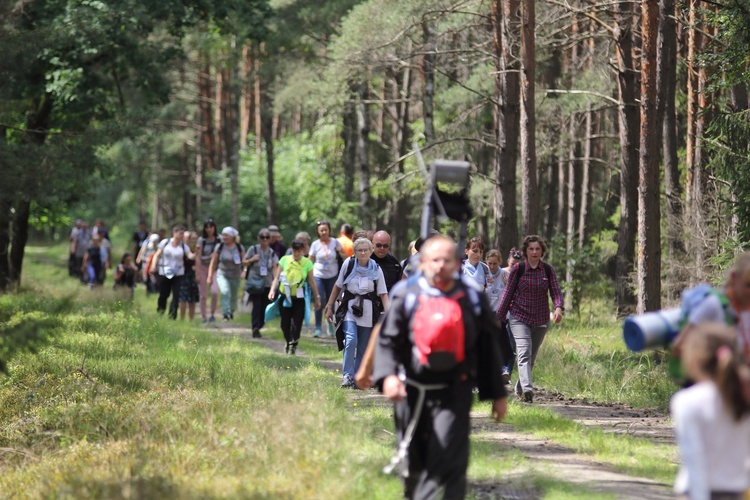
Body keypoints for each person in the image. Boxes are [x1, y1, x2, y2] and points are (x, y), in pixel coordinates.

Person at [373, 235, 507, 498]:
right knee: (414, 459)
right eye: (435, 260)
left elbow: (487, 348)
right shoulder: (405, 294)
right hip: (411, 392)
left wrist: (497, 395)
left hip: (455, 391)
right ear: (422, 262)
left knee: (450, 456)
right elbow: (387, 340)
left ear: (457, 263)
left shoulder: (470, 298)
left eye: (448, 260)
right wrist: (387, 377)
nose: (441, 266)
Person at [670, 322, 750, 500]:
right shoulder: (744, 398)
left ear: (693, 361)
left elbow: (694, 459)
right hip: (738, 493)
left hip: (696, 493)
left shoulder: (687, 401)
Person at [495, 234, 563, 403]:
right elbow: (508, 294)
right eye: (531, 249)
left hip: (540, 319)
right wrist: (500, 317)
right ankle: (528, 390)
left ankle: (520, 387)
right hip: (519, 317)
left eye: (537, 249)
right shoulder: (519, 269)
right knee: (523, 352)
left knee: (531, 357)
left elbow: (555, 291)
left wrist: (558, 308)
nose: (534, 252)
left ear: (542, 251)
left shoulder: (547, 270)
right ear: (525, 251)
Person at [325, 238, 389, 388]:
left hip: (368, 311)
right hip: (350, 307)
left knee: (362, 347)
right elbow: (338, 285)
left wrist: (389, 315)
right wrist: (329, 305)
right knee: (351, 339)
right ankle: (347, 376)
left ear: (371, 251)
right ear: (355, 252)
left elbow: (383, 293)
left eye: (366, 249)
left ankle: (356, 377)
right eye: (359, 250)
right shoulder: (349, 264)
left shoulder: (376, 269)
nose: (363, 252)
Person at [269, 239, 321, 355]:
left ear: (303, 250)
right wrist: (272, 290)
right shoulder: (284, 260)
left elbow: (312, 282)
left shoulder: (307, 263)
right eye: (294, 250)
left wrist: (317, 297)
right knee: (284, 323)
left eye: (299, 250)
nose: (296, 253)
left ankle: (294, 343)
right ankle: (288, 341)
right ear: (291, 249)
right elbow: (277, 277)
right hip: (285, 296)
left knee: (297, 323)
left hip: (299, 297)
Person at [309, 220, 346, 337]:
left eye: (326, 230)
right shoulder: (315, 244)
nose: (324, 232)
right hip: (318, 275)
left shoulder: (335, 242)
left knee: (332, 302)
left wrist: (340, 251)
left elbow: (346, 257)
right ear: (318, 232)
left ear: (329, 230)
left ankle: (330, 324)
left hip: (333, 276)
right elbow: (310, 261)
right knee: (319, 300)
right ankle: (318, 328)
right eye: (321, 230)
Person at [150, 225, 192, 320]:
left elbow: (190, 255)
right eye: (180, 233)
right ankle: (160, 311)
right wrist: (153, 266)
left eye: (183, 234)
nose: (182, 236)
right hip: (165, 272)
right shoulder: (165, 243)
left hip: (178, 273)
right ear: (175, 233)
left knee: (176, 295)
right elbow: (157, 255)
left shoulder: (183, 246)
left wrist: (197, 253)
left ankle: (172, 316)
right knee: (164, 294)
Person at [485, 249, 515, 384]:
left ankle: (503, 370)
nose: (492, 267)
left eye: (495, 264)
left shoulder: (506, 275)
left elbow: (511, 294)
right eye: (490, 263)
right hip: (486, 315)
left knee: (503, 344)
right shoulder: (484, 273)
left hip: (501, 315)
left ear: (500, 262)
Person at [244, 228, 279, 338]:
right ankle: (255, 327)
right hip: (255, 282)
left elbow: (275, 268)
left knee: (265, 306)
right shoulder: (253, 249)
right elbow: (243, 262)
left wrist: (275, 281)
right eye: (262, 237)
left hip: (267, 283)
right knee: (256, 305)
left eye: (267, 237)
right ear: (259, 238)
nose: (265, 239)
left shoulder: (271, 253)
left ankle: (260, 325)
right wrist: (251, 260)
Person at [207, 226, 244, 322]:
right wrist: (210, 276)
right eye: (223, 235)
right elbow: (213, 262)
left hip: (236, 275)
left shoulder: (239, 247)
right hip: (222, 273)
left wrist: (245, 270)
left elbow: (244, 261)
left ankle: (231, 311)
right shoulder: (220, 247)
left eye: (226, 235)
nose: (224, 237)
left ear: (232, 237)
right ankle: (225, 313)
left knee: (234, 295)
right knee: (225, 291)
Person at [195, 219, 220, 323]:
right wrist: (197, 273)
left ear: (214, 228)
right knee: (203, 294)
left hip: (215, 269)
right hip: (203, 268)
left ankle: (213, 314)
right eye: (207, 227)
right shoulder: (202, 241)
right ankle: (204, 316)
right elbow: (198, 257)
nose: (209, 229)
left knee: (214, 292)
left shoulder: (219, 240)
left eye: (211, 227)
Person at [179, 231, 200, 321]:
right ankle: (182, 319)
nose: (194, 240)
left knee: (193, 298)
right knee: (183, 298)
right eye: (192, 238)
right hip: (184, 274)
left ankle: (190, 320)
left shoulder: (198, 248)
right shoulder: (183, 248)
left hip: (194, 275)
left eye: (195, 238)